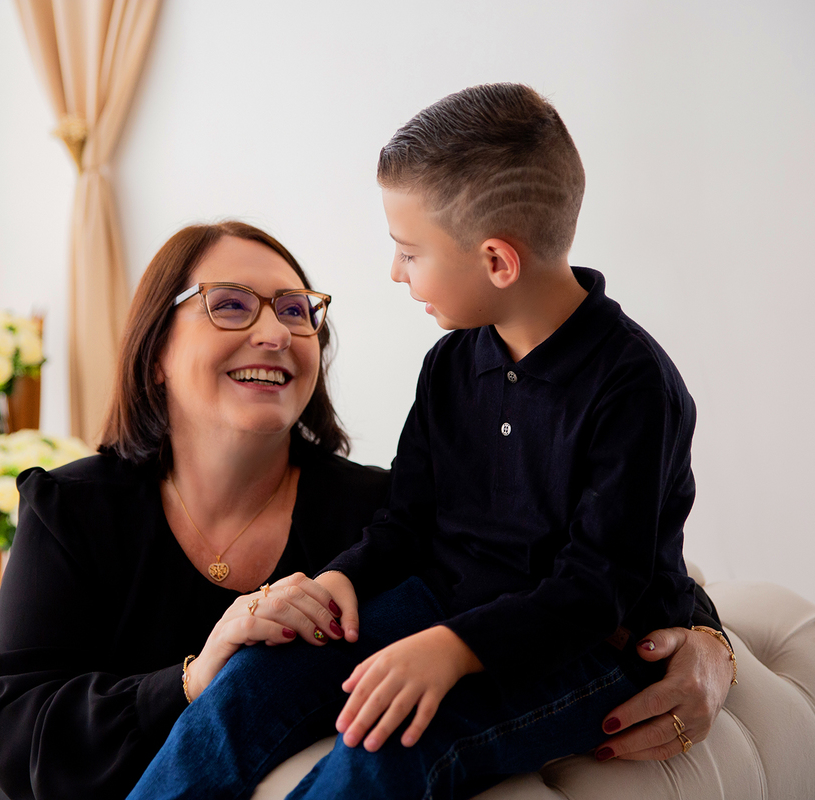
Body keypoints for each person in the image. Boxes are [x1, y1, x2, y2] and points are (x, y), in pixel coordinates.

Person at [0, 220, 733, 800]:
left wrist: (706, 637)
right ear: (155, 350)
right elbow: (7, 731)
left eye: (297, 310)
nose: (274, 330)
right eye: (230, 306)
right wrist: (195, 677)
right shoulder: (70, 509)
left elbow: (593, 552)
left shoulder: (374, 512)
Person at [126, 84, 736, 800]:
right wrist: (341, 580)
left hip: (586, 648)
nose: (394, 272)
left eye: (408, 252)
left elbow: (597, 590)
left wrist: (453, 650)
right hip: (440, 603)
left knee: (389, 748)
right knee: (250, 682)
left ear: (497, 262)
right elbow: (406, 524)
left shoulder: (633, 387)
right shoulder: (451, 364)